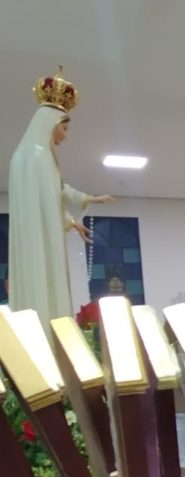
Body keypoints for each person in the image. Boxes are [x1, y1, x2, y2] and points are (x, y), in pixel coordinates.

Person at [8, 69, 115, 323]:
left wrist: (73, 216)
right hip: (36, 239)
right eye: (64, 128)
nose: (66, 135)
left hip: (39, 236)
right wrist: (81, 206)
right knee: (42, 281)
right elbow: (50, 197)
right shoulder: (36, 156)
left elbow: (50, 196)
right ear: (51, 124)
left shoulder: (31, 156)